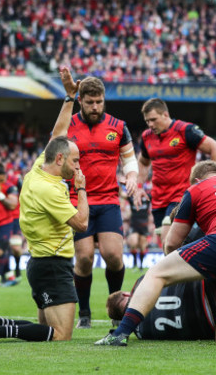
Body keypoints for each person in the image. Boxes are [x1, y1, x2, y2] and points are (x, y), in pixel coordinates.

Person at [95, 160, 216, 347]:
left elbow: (172, 244)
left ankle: (119, 334)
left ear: (196, 181)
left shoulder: (197, 189)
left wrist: (179, 271)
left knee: (156, 274)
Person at [0, 83, 90, 343]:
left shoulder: (37, 169)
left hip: (41, 263)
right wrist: (81, 190)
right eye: (75, 160)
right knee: (61, 335)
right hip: (53, 265)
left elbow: (59, 134)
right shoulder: (50, 190)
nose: (79, 165)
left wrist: (69, 98)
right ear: (60, 160)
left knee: (46, 329)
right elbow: (82, 223)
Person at [61, 68, 140, 329]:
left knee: (114, 255)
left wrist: (130, 176)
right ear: (80, 100)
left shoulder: (118, 127)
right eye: (90, 102)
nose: (95, 107)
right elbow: (54, 153)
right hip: (78, 199)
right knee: (84, 258)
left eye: (99, 102)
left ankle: (115, 307)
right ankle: (84, 311)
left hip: (108, 200)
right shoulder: (69, 125)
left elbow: (129, 160)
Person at [134, 98, 216, 246]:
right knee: (169, 246)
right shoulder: (146, 137)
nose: (150, 124)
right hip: (158, 201)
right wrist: (138, 186)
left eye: (153, 119)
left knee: (169, 242)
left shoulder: (185, 130)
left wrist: (212, 182)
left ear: (165, 114)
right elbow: (143, 162)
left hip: (181, 196)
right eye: (147, 121)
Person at [125, 188, 151, 270]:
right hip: (134, 224)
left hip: (144, 225)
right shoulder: (131, 198)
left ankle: (141, 266)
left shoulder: (147, 198)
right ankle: (135, 262)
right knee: (134, 243)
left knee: (143, 246)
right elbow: (122, 195)